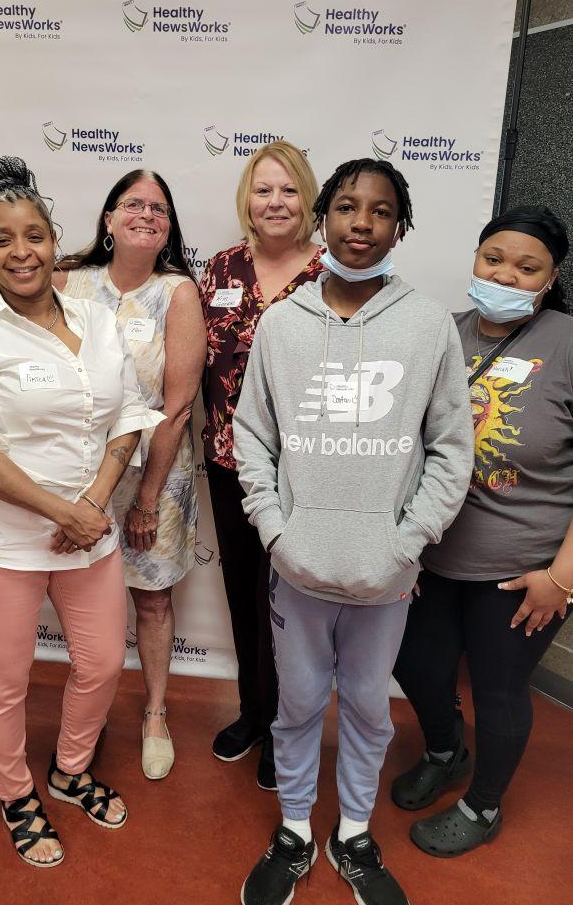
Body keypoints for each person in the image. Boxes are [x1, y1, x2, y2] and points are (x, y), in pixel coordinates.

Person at [233, 158, 474, 905]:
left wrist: (406, 542)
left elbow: (451, 448)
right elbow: (252, 438)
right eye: (344, 207)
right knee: (298, 705)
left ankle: (355, 832)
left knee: (370, 710)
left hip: (386, 576)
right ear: (322, 218)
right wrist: (277, 533)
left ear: (399, 225)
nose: (360, 224)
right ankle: (298, 827)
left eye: (378, 211)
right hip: (298, 569)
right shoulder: (282, 323)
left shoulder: (428, 324)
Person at [0, 156, 163, 868]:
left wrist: (90, 506)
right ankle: (16, 794)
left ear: (53, 237)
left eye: (33, 236)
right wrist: (61, 509)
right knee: (3, 681)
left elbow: (128, 416)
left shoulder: (98, 321)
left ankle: (68, 770)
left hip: (87, 536)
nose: (21, 252)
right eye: (3, 240)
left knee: (97, 664)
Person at [392, 205, 573, 858]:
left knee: (498, 692)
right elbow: (409, 446)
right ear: (475, 258)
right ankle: (445, 750)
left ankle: (484, 804)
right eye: (494, 258)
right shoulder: (443, 333)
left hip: (524, 569)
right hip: (435, 555)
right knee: (416, 663)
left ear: (551, 279)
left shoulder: (567, 343)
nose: (506, 274)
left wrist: (561, 579)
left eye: (527, 268)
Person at [60, 170, 206, 780]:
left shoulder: (177, 293)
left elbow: (176, 407)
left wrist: (146, 501)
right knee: (80, 604)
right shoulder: (69, 282)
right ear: (109, 219)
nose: (146, 214)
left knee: (151, 600)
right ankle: (82, 719)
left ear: (169, 227)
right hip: (75, 478)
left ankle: (153, 714)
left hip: (155, 475)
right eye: (133, 204)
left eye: (159, 208)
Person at [200, 140, 325, 791]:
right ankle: (254, 713)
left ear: (308, 199)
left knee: (290, 610)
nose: (275, 202)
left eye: (288, 189)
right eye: (262, 189)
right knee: (243, 598)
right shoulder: (220, 270)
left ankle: (289, 728)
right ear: (246, 200)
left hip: (307, 474)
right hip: (229, 466)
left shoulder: (335, 276)